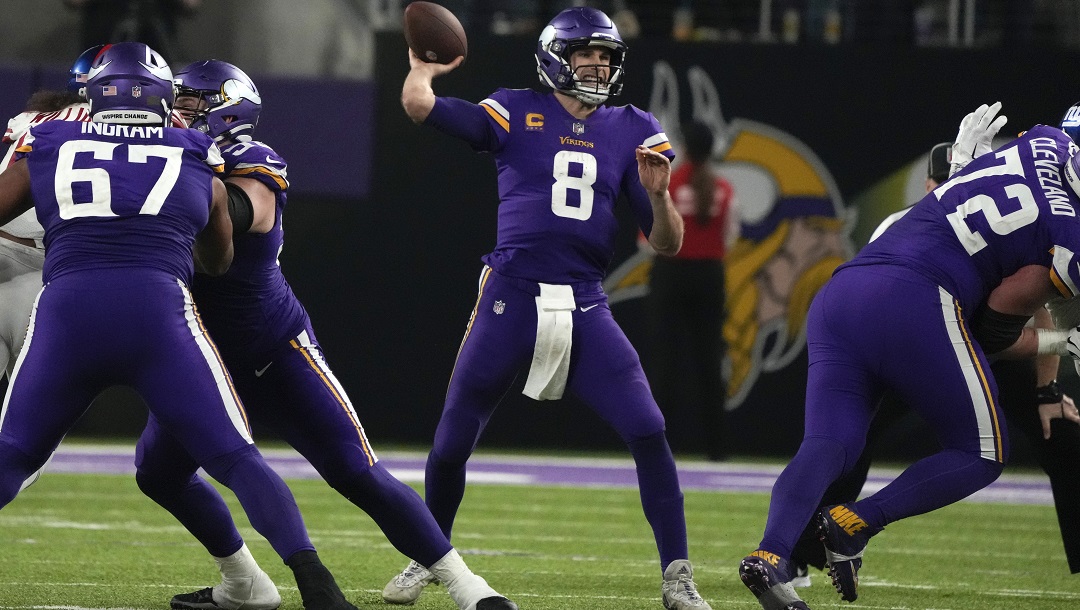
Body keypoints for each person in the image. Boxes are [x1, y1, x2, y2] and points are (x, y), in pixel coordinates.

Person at [130, 59, 517, 610]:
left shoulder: (252, 160)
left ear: (229, 109)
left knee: (355, 471)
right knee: (157, 474)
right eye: (177, 101)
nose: (177, 112)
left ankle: (468, 586)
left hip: (272, 348)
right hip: (199, 356)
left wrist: (184, 172)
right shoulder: (162, 160)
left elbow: (244, 213)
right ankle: (243, 583)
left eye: (191, 102)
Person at [0, 42, 355, 610]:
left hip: (69, 308)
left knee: (14, 452)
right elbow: (219, 260)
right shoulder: (193, 147)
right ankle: (318, 585)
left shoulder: (48, 139)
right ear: (165, 97)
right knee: (236, 457)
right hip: (158, 312)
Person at [386, 7, 713, 610]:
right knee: (455, 433)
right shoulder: (516, 107)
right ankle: (427, 555)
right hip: (513, 292)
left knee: (648, 427)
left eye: (607, 57)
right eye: (587, 55)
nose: (599, 66)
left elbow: (667, 243)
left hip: (585, 300)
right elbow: (419, 107)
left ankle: (677, 573)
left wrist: (660, 196)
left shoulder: (634, 126)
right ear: (556, 57)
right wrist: (422, 71)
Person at [737, 102, 1080, 610]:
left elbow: (987, 207)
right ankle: (854, 522)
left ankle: (770, 555)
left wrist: (965, 171)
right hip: (918, 301)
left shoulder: (1044, 139)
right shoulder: (1071, 233)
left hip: (844, 291)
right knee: (982, 452)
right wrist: (1060, 343)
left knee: (830, 442)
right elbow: (995, 324)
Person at [0, 45, 100, 387]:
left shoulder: (34, 118)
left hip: (7, 253)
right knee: (29, 428)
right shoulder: (126, 127)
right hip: (47, 274)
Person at [646, 120, 738, 461]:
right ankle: (717, 447)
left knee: (665, 362)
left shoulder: (668, 185)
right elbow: (730, 236)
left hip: (670, 272)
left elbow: (647, 240)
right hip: (709, 275)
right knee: (710, 361)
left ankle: (662, 445)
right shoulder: (723, 188)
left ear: (684, 147)